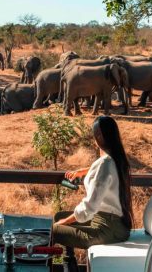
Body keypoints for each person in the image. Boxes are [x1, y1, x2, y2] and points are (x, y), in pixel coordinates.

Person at [53, 116, 133, 271]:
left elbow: (89, 207)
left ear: (100, 136)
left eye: (94, 133)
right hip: (114, 223)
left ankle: (67, 265)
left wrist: (64, 223)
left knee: (54, 230)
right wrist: (82, 171)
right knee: (58, 216)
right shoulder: (116, 158)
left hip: (108, 228)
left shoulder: (105, 164)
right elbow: (104, 173)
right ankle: (70, 263)